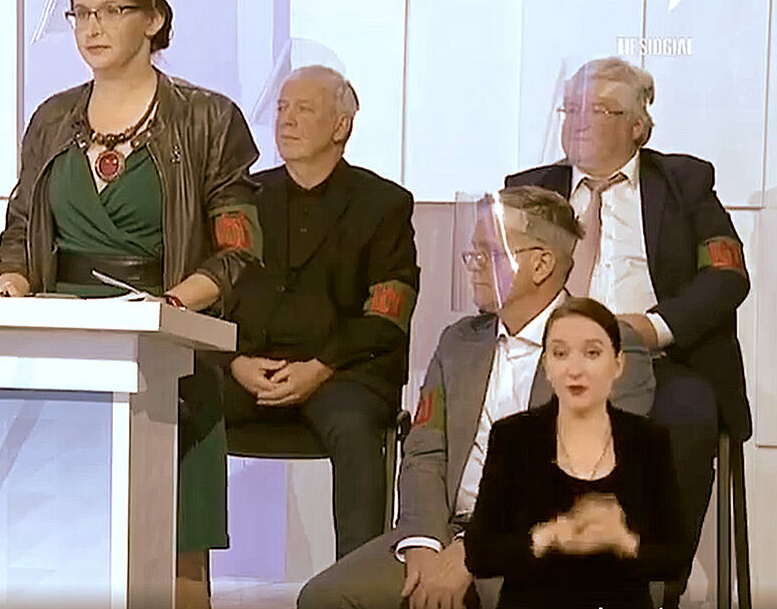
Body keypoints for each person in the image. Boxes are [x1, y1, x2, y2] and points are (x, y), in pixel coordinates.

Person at [0, 0, 261, 608]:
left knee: (173, 550)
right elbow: (21, 229)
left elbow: (237, 248)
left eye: (112, 11)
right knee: (58, 543)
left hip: (166, 343)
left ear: (154, 19)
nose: (93, 27)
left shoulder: (207, 118)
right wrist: (13, 280)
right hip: (62, 344)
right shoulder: (51, 118)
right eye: (81, 13)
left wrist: (170, 306)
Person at [297, 186, 656, 609]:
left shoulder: (607, 347)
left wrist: (474, 548)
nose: (474, 264)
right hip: (446, 530)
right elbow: (425, 451)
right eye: (474, 252)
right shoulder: (458, 343)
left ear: (541, 264)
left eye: (491, 253)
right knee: (326, 598)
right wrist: (423, 541)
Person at [506, 56, 750, 607]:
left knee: (689, 416)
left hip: (658, 358)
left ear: (638, 126)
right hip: (553, 358)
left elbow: (727, 275)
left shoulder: (685, 183)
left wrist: (653, 327)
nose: (579, 121)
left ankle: (656, 588)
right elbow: (503, 285)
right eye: (571, 108)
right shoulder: (531, 189)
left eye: (599, 109)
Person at [225, 65, 419, 558]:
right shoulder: (244, 200)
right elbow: (218, 291)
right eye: (281, 109)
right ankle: (178, 581)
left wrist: (320, 366)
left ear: (341, 126)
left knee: (355, 429)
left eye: (303, 109)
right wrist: (235, 360)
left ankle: (355, 581)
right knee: (177, 409)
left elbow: (389, 313)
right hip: (249, 367)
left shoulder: (384, 205)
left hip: (341, 372)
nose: (286, 120)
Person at [464, 297, 686, 609]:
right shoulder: (513, 438)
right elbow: (478, 554)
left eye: (592, 353)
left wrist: (625, 541)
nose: (575, 369)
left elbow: (676, 559)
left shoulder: (649, 441)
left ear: (618, 364)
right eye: (560, 353)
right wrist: (544, 538)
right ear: (546, 365)